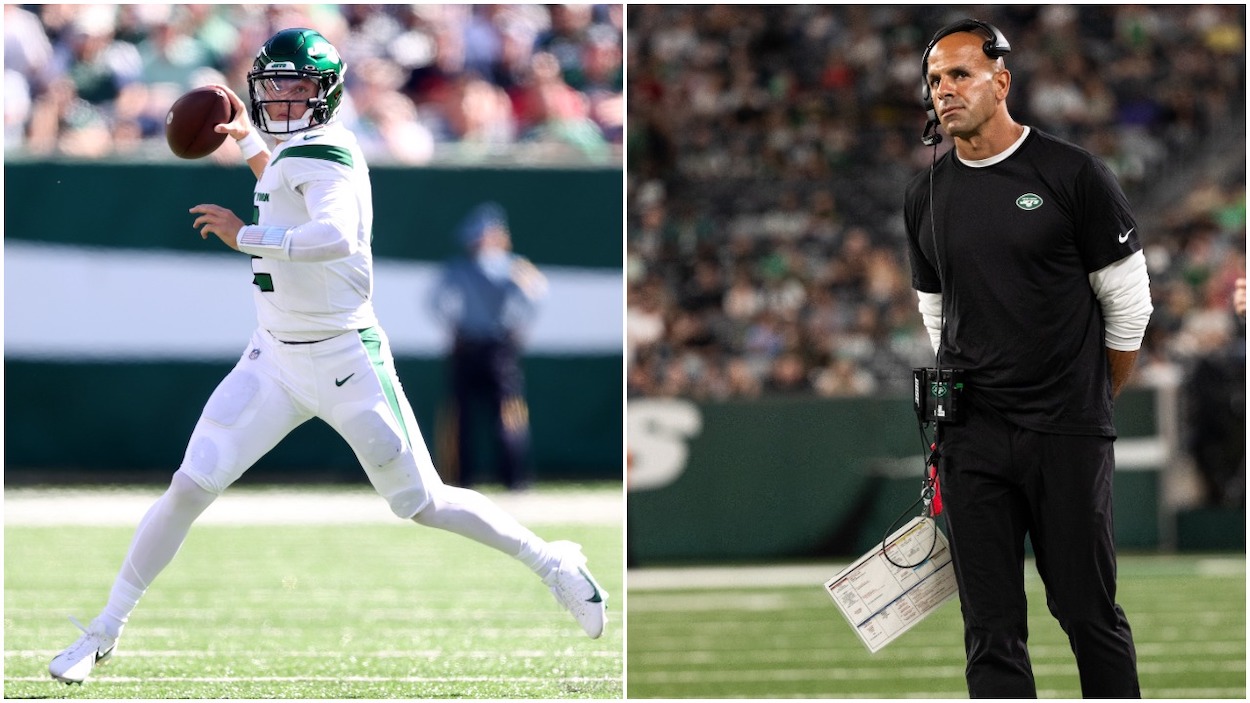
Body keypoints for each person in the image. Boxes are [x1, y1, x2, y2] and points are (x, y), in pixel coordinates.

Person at [48, 27, 606, 686]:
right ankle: (104, 628)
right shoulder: (293, 150)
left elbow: (334, 236)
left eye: (296, 85)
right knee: (189, 486)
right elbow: (284, 188)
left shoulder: (331, 148)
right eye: (274, 84)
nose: (282, 96)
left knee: (422, 502)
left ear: (325, 93)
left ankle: (553, 562)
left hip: (346, 357)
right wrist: (248, 143)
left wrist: (244, 235)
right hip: (275, 358)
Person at [903, 20, 1153, 698]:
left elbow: (1130, 307)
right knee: (989, 628)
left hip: (1064, 429)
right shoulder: (925, 192)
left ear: (1001, 81)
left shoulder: (1072, 173)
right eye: (934, 81)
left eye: (958, 75)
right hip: (973, 437)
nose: (944, 91)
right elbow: (936, 310)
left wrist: (1089, 400)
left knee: (1086, 611)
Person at [429, 203, 546, 490]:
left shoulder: (463, 267)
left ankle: (463, 480)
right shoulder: (512, 265)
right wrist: (521, 327)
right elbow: (538, 295)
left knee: (475, 416)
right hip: (497, 347)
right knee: (500, 414)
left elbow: (433, 302)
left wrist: (450, 327)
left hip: (470, 345)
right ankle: (514, 480)